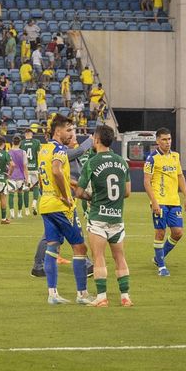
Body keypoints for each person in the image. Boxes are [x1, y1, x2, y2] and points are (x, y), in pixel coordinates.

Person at [74, 124, 131, 306]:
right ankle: (125, 297)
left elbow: (79, 192)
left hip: (98, 217)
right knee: (120, 257)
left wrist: (90, 196)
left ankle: (101, 297)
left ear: (97, 140)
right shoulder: (122, 162)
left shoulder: (92, 162)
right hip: (116, 217)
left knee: (99, 257)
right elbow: (127, 192)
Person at [38, 115, 91, 304]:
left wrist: (73, 187)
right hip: (60, 206)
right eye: (69, 130)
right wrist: (67, 196)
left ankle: (52, 295)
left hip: (45, 203)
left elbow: (50, 175)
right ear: (58, 131)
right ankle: (82, 295)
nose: (72, 134)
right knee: (80, 247)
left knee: (52, 247)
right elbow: (56, 170)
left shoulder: (44, 149)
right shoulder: (60, 149)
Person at [144, 127, 186, 277]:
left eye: (169, 139)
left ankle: (159, 257)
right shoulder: (152, 158)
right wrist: (154, 202)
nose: (167, 142)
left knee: (178, 233)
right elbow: (146, 182)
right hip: (160, 201)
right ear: (157, 141)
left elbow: (180, 176)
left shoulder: (175, 156)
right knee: (160, 233)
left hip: (174, 201)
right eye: (164, 139)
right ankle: (162, 267)